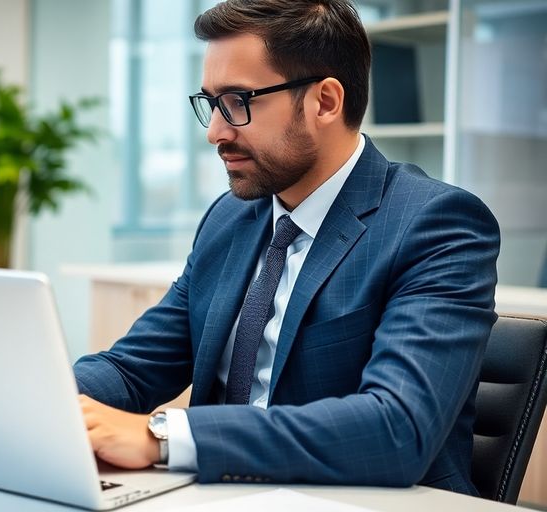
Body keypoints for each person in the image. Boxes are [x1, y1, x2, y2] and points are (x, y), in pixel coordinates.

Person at [74, 0, 500, 495]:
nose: (215, 131)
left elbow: (396, 428)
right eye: (211, 103)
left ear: (324, 102)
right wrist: (41, 402)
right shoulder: (230, 218)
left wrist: (163, 437)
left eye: (238, 101)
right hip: (217, 496)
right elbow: (132, 370)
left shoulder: (436, 225)